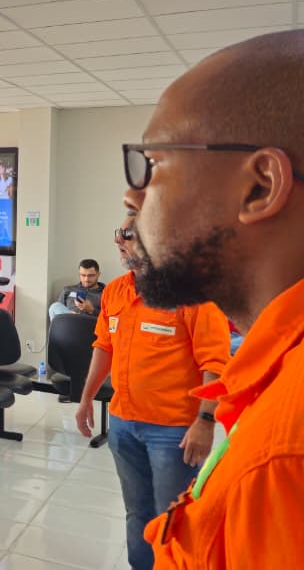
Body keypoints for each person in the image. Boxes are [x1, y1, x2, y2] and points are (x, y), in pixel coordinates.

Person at [78, 31, 304, 568]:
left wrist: (200, 421)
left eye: (154, 163)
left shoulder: (284, 454)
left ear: (259, 186)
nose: (132, 195)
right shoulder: (275, 377)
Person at [75, 218, 230, 570]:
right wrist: (86, 398)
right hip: (122, 425)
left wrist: (206, 421)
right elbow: (104, 346)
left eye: (128, 234)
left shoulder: (192, 296)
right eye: (117, 232)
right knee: (137, 512)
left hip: (173, 433)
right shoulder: (115, 291)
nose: (118, 240)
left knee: (173, 519)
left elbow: (216, 363)